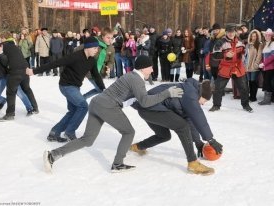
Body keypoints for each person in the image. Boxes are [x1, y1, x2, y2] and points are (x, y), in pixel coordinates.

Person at [42, 55, 184, 173]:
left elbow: (136, 99)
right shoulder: (136, 79)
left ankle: (53, 155)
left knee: (87, 139)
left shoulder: (131, 76)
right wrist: (167, 93)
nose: (153, 70)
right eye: (151, 67)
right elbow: (145, 101)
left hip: (96, 103)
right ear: (143, 68)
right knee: (128, 132)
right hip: (108, 106)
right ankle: (118, 164)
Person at [130, 79, 222, 175]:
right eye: (205, 101)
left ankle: (137, 147)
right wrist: (211, 140)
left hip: (148, 109)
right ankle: (193, 163)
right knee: (182, 127)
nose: (203, 104)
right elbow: (199, 117)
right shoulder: (190, 95)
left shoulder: (190, 92)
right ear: (202, 95)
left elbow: (190, 120)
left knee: (164, 135)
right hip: (150, 108)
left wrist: (198, 143)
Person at [26, 37, 105, 142]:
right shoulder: (75, 56)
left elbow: (96, 76)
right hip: (66, 86)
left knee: (74, 110)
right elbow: (55, 63)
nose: (97, 50)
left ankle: (54, 132)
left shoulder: (91, 61)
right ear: (88, 47)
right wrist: (34, 71)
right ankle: (70, 132)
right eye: (95, 48)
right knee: (83, 106)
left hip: (75, 87)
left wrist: (103, 88)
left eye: (97, 48)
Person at [209, 24, 253, 113]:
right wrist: (225, 55)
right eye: (229, 32)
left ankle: (246, 105)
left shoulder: (240, 40)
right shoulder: (220, 42)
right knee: (218, 88)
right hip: (225, 67)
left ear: (235, 32)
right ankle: (216, 105)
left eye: (232, 32)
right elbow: (214, 55)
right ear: (226, 32)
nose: (230, 34)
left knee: (244, 87)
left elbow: (245, 51)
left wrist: (245, 51)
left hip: (238, 67)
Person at [0, 34, 33, 114]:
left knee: (19, 92)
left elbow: (6, 61)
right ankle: (3, 101)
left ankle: (29, 108)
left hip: (9, 75)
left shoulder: (0, 47)